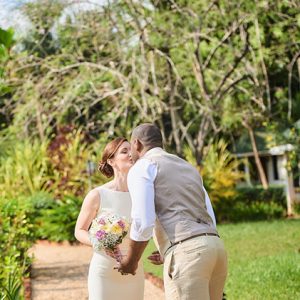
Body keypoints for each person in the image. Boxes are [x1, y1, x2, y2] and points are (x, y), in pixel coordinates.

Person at [117, 124, 227, 300]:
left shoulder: (142, 167)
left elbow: (143, 221)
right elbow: (208, 213)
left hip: (188, 253)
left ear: (136, 144)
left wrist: (131, 261)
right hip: (215, 248)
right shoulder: (187, 167)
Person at [74, 137, 144, 300]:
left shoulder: (142, 195)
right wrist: (100, 241)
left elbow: (152, 225)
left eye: (131, 150)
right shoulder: (97, 195)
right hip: (103, 272)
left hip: (134, 270)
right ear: (111, 161)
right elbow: (79, 230)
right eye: (124, 151)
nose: (130, 155)